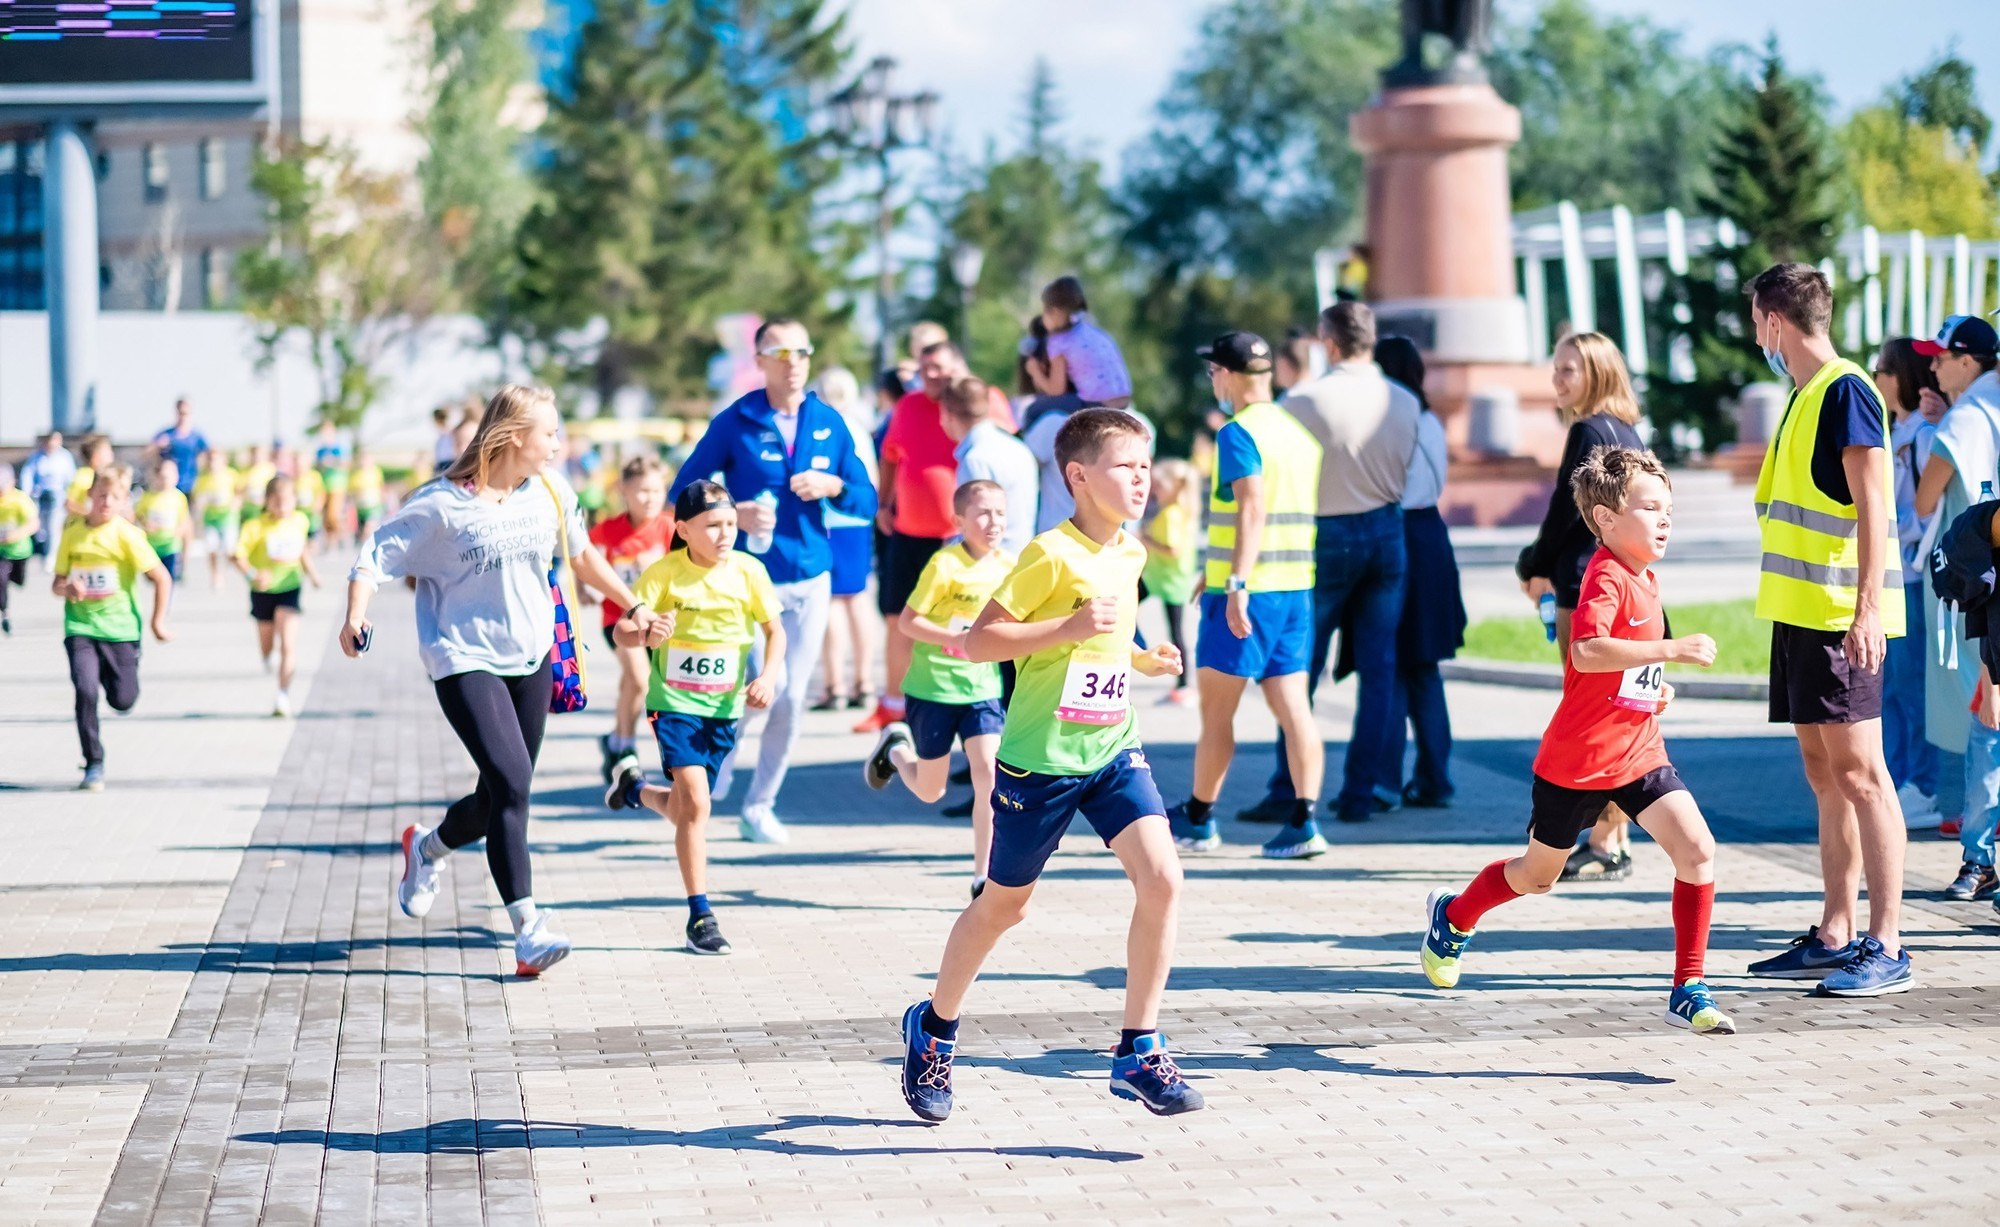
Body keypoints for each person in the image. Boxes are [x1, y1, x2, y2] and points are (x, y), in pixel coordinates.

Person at [896, 409, 1198, 1123]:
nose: (1141, 479)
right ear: (1079, 476)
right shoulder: (1048, 554)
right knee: (1006, 906)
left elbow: (1108, 635)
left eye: (1146, 466)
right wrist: (1067, 626)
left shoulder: (1131, 552)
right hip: (1041, 762)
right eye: (1126, 467)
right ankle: (933, 1027)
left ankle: (1139, 1048)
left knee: (1163, 878)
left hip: (1113, 747)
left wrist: (1143, 658)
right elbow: (981, 642)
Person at [342, 384, 664, 979]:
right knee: (514, 785)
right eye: (550, 433)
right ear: (515, 436)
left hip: (533, 656)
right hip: (463, 658)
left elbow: (583, 556)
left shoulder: (550, 490)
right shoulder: (442, 505)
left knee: (498, 797)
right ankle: (528, 930)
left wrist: (634, 605)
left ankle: (427, 847)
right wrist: (356, 616)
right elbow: (374, 557)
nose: (558, 444)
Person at [1420, 447, 1735, 1035]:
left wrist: (1652, 690)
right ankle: (1454, 916)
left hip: (1638, 752)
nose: (1664, 520)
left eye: (1668, 510)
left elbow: (1623, 666)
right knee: (1537, 877)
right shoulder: (1605, 574)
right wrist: (1672, 649)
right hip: (1577, 763)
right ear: (1606, 519)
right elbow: (1586, 652)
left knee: (1697, 849)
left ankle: (1688, 987)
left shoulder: (1645, 576)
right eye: (1650, 509)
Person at [1744, 263, 1911, 997]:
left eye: (1757, 322)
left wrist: (1867, 609)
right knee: (1825, 773)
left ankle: (1888, 942)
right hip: (1801, 616)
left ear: (1774, 320)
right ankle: (1836, 930)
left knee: (1863, 775)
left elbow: (1875, 505)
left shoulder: (1845, 390)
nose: (1756, 336)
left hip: (1841, 618)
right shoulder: (1805, 393)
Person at [668, 318, 878, 844]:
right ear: (760, 360)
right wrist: (730, 512)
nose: (793, 363)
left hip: (811, 577)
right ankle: (716, 769)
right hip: (746, 580)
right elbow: (683, 491)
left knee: (790, 698)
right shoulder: (736, 421)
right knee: (761, 687)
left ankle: (760, 806)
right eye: (780, 353)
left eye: (802, 352)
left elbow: (867, 501)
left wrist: (833, 485)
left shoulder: (829, 421)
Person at [1243, 301, 1419, 827]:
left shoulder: (1302, 400)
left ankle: (1290, 789)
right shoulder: (1405, 400)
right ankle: (1362, 791)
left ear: (1329, 342)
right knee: (1378, 669)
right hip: (1387, 529)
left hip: (1325, 531)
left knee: (1298, 666)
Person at [607, 481, 784, 956]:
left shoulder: (749, 571)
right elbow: (621, 631)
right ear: (683, 530)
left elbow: (775, 631)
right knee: (700, 805)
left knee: (687, 809)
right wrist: (645, 635)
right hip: (674, 706)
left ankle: (634, 791)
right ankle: (700, 916)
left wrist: (768, 676)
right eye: (713, 526)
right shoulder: (664, 574)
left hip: (723, 710)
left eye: (730, 524)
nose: (725, 534)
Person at [1167, 331, 1327, 858]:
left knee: (1217, 714)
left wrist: (1234, 581)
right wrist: (1213, 571)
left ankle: (1198, 818)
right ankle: (1305, 822)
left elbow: (1253, 507)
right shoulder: (1298, 434)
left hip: (1245, 596)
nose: (1212, 380)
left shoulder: (1237, 432)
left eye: (1213, 371)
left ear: (1229, 375)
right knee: (1294, 708)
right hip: (1294, 590)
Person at [1514, 331, 1648, 876]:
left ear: (1596, 372)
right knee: (1618, 706)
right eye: (1557, 368)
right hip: (1627, 583)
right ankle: (1613, 837)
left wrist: (1532, 564)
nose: (1558, 379)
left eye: (1569, 369)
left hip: (1586, 585)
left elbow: (1565, 510)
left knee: (1593, 709)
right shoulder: (1628, 431)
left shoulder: (1589, 429)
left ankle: (1604, 842)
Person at [865, 479, 1015, 893]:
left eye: (1000, 513)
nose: (993, 522)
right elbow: (909, 622)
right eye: (983, 513)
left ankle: (983, 876)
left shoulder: (1010, 567)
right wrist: (957, 639)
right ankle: (895, 751)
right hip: (933, 690)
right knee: (931, 791)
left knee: (989, 775)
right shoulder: (945, 565)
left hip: (982, 690)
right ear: (959, 520)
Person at [1911, 314, 2000, 900]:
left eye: (1941, 358)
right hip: (1987, 585)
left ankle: (1979, 856)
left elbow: (1924, 501)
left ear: (1968, 361)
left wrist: (1928, 430)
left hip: (1979, 588)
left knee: (1987, 721)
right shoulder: (1979, 410)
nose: (1933, 367)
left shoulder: (1966, 418)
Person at [865, 341, 972, 735]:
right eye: (925, 368)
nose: (932, 375)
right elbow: (890, 456)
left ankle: (957, 710)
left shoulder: (971, 404)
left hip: (956, 539)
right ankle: (892, 706)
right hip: (908, 533)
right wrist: (883, 503)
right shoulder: (908, 406)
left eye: (940, 367)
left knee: (955, 623)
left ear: (957, 367)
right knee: (898, 618)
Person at [1378, 336, 1467, 808]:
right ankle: (1436, 777)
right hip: (1432, 535)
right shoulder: (1430, 419)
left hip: (1396, 533)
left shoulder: (1389, 420)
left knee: (1391, 665)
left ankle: (1384, 781)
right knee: (1425, 669)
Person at [53, 465, 173, 791]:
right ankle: (93, 762)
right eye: (101, 494)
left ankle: (112, 673)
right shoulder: (73, 533)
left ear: (124, 502)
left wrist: (157, 621)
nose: (107, 502)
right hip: (80, 626)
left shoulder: (128, 535)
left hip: (121, 629)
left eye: (115, 497)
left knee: (123, 700)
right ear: (90, 495)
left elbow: (162, 578)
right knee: (85, 691)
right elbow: (57, 584)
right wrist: (68, 588)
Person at [1873, 338, 1945, 830]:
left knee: (1912, 685)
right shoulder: (1895, 430)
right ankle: (1898, 780)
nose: (1877, 378)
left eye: (1884, 369)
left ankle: (1922, 785)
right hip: (1890, 576)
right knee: (1889, 689)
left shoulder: (1923, 433)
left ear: (1905, 376)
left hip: (1914, 577)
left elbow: (1927, 510)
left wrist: (1891, 531)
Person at [587, 456, 676, 787]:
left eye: (656, 491)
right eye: (642, 491)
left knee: (635, 682)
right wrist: (582, 588)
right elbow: (583, 558)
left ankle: (615, 740)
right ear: (624, 490)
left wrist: (659, 565)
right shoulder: (608, 530)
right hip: (619, 620)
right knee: (638, 677)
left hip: (659, 620)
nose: (650, 498)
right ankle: (625, 746)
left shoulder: (670, 528)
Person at [812, 367, 882, 714]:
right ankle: (865, 681)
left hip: (826, 519)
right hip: (857, 520)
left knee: (832, 602)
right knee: (858, 598)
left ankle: (835, 683)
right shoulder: (860, 430)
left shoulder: (821, 430)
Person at [234, 474, 321, 717]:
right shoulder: (254, 526)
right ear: (267, 501)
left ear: (294, 500)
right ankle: (266, 656)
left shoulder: (300, 520)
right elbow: (237, 557)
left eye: (287, 501)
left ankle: (283, 696)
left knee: (288, 644)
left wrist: (313, 574)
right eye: (277, 502)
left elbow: (301, 550)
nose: (282, 507)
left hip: (290, 588)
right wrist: (252, 575)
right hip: (262, 592)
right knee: (267, 643)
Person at [941, 375, 1038, 555]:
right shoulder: (1018, 447)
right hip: (1021, 555)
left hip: (993, 562)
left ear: (947, 414)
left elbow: (977, 530)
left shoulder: (975, 460)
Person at [1140, 459, 1201, 707]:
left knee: (1175, 632)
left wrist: (1146, 540)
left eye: (1159, 486)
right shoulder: (1180, 512)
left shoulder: (1171, 514)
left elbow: (1173, 549)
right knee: (1174, 630)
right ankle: (1183, 684)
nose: (1154, 490)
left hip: (1165, 580)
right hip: (1164, 579)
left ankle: (1184, 685)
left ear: (1174, 487)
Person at [1024, 276, 1133, 411]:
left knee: (1033, 410)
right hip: (1125, 400)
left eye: (1045, 311)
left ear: (1055, 312)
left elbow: (1056, 390)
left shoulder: (1059, 342)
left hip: (1098, 404)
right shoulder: (1093, 331)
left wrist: (1035, 371)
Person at [21, 432, 76, 562]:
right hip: (40, 496)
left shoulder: (65, 457)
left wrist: (70, 495)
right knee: (42, 529)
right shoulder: (37, 457)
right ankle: (44, 553)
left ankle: (51, 557)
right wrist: (27, 494)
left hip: (58, 497)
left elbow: (71, 478)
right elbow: (27, 476)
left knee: (53, 527)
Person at [135, 459, 193, 583]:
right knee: (153, 578)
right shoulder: (147, 497)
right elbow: (138, 514)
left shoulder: (179, 497)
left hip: (171, 544)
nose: (166, 481)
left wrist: (179, 531)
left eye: (170, 477)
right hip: (152, 544)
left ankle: (168, 593)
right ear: (157, 477)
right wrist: (145, 523)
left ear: (176, 477)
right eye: (163, 477)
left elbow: (184, 519)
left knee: (168, 578)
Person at [192, 449, 240, 591]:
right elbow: (197, 500)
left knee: (229, 549)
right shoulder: (202, 479)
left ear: (223, 460)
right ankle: (215, 574)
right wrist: (201, 505)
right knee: (211, 547)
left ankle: (224, 569)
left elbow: (238, 492)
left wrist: (236, 503)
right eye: (210, 459)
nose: (213, 463)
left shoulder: (231, 475)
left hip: (228, 518)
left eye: (215, 459)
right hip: (210, 519)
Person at [0, 462, 39, 634]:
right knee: (1, 579)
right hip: (2, 553)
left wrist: (15, 535)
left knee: (18, 581)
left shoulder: (20, 500)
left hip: (19, 551)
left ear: (12, 482)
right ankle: (5, 614)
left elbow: (34, 524)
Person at [149, 398, 207, 496]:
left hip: (190, 484)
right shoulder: (167, 434)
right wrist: (158, 445)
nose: (182, 417)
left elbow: (210, 454)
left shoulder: (196, 437)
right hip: (168, 485)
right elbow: (145, 453)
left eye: (185, 413)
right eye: (180, 413)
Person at [67, 435, 114, 517]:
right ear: (96, 456)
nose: (111, 454)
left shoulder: (107, 475)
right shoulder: (84, 476)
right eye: (107, 450)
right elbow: (69, 504)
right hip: (81, 524)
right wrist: (91, 514)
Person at [350, 447, 388, 537]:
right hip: (361, 508)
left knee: (369, 527)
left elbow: (381, 485)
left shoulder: (375, 472)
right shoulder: (355, 474)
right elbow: (352, 492)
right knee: (362, 530)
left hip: (374, 506)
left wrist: (384, 498)